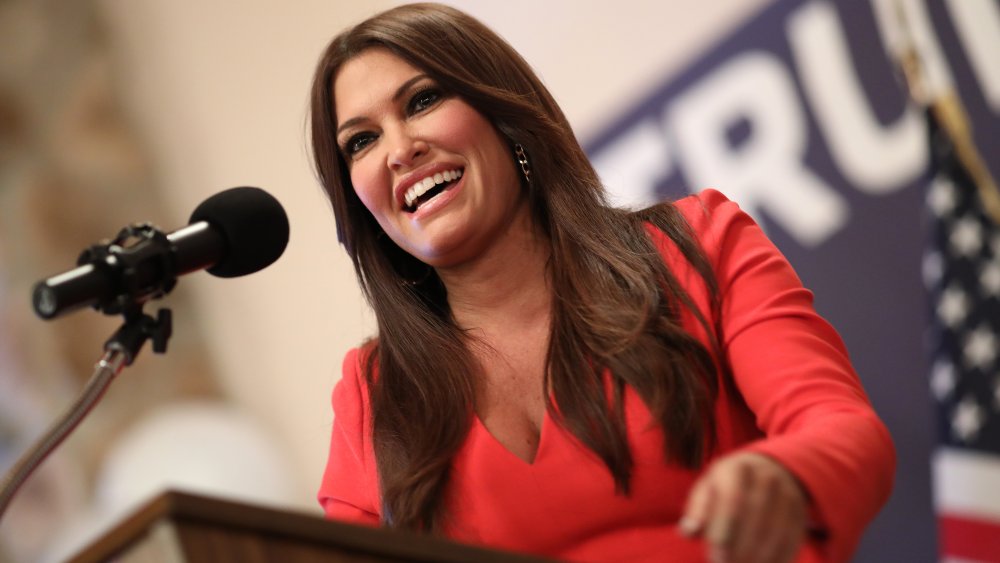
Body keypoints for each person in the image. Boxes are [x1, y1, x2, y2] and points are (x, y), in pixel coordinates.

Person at [309, 4, 895, 562]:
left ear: (504, 114)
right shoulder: (372, 396)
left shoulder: (696, 245)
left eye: (422, 100)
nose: (399, 150)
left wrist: (787, 475)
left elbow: (844, 430)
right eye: (361, 140)